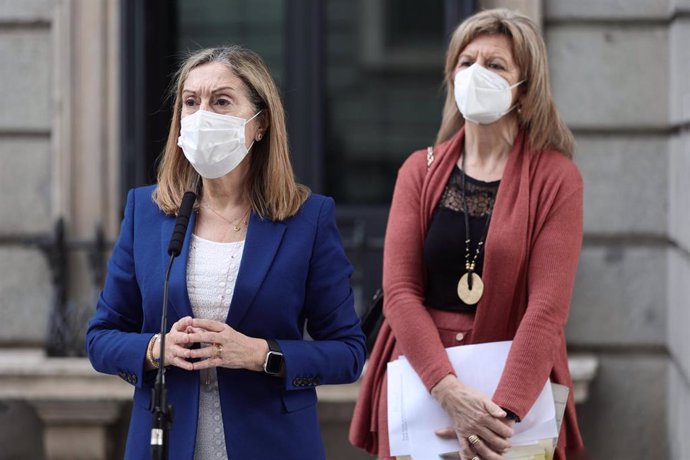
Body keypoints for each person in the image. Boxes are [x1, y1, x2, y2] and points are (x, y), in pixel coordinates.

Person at [86, 45, 366, 460]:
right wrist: (153, 350)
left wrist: (261, 354)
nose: (203, 116)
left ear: (260, 123)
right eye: (191, 103)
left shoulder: (308, 219)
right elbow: (101, 337)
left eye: (221, 101)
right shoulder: (146, 212)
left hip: (273, 443)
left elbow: (348, 353)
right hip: (165, 440)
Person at [350, 8, 585, 460]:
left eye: (495, 65)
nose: (476, 73)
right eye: (466, 62)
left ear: (524, 88)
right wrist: (448, 392)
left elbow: (547, 310)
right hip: (422, 383)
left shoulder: (557, 178)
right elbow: (399, 292)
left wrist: (499, 415)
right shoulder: (419, 170)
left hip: (512, 398)